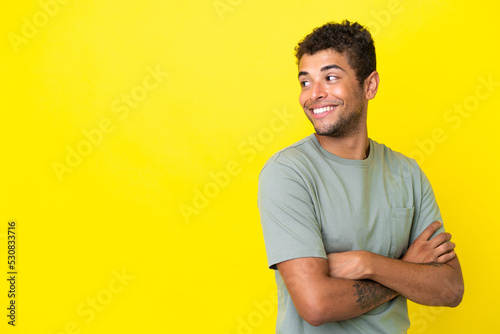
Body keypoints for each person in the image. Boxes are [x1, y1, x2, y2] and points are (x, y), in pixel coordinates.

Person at [257, 20, 464, 333]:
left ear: (370, 85)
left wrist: (369, 264)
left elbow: (450, 289)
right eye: (305, 82)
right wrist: (406, 271)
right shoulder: (288, 173)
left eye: (329, 77)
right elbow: (316, 304)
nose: (314, 94)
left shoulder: (407, 173)